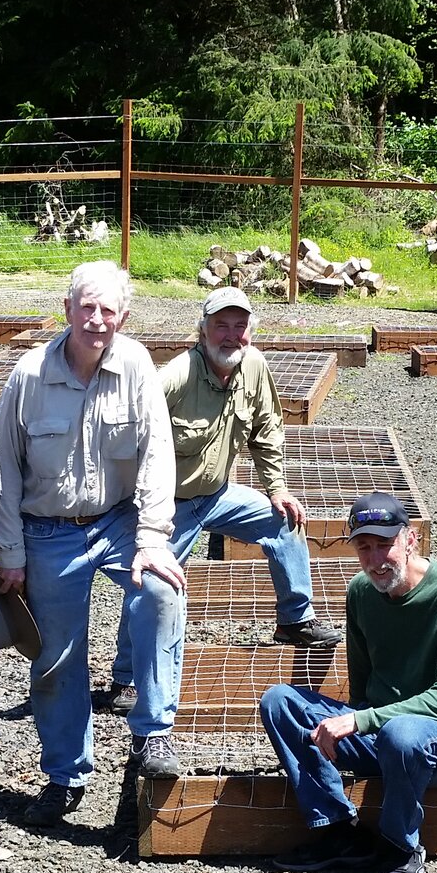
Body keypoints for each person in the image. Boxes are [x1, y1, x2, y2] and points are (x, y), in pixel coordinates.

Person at [0, 260, 186, 825]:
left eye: (108, 310)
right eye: (86, 307)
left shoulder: (137, 364)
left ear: (123, 315)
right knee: (57, 659)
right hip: (48, 529)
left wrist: (153, 538)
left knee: (163, 594)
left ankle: (152, 734)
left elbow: (155, 453)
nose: (96, 320)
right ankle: (65, 775)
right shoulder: (28, 374)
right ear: (67, 308)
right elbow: (4, 464)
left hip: (120, 520)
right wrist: (11, 550)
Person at [95, 286, 339, 712]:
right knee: (153, 585)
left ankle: (296, 619)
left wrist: (277, 488)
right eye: (221, 325)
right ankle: (126, 679)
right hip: (170, 506)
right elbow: (128, 435)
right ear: (202, 329)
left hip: (219, 494)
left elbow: (267, 430)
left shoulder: (255, 366)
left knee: (283, 521)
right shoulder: (175, 376)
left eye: (240, 326)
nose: (231, 335)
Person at [255, 494, 437, 873]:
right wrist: (357, 720)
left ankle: (401, 847)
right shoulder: (362, 592)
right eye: (364, 546)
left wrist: (362, 721)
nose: (376, 557)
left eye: (385, 544)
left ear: (411, 539)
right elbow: (362, 682)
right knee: (280, 702)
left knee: (401, 734)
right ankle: (337, 831)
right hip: (385, 733)